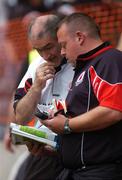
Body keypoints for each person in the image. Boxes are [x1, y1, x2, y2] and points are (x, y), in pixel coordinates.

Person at [41, 13, 122, 180]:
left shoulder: (109, 59)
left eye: (63, 45)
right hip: (76, 171)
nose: (62, 52)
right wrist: (52, 145)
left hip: (99, 172)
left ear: (79, 37)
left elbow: (113, 109)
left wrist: (66, 125)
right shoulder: (85, 67)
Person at [13, 14, 74, 180]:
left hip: (79, 154)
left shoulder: (79, 61)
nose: (45, 55)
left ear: (60, 37)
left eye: (49, 47)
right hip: (45, 155)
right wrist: (37, 86)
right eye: (39, 50)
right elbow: (21, 118)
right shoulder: (36, 65)